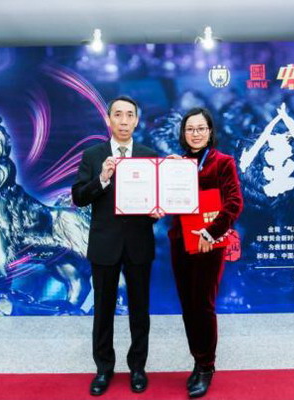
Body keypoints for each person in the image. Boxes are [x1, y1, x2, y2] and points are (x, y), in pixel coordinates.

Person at [72, 96, 159, 396]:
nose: (124, 121)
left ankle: (138, 368)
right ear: (108, 119)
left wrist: (158, 209)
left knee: (140, 311)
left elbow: (156, 199)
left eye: (129, 115)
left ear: (137, 120)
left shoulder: (149, 155)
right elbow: (78, 197)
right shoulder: (93, 155)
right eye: (118, 115)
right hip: (104, 244)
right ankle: (103, 369)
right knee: (103, 311)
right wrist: (101, 179)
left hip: (138, 243)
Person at [168, 108, 243, 398]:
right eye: (190, 129)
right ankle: (197, 359)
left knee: (203, 304)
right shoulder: (177, 163)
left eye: (201, 128)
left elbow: (234, 203)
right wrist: (164, 177)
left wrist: (210, 233)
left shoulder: (223, 162)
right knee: (188, 305)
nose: (195, 134)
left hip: (209, 243)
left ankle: (206, 366)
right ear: (183, 133)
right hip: (180, 242)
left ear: (210, 131)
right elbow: (167, 201)